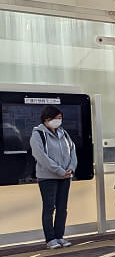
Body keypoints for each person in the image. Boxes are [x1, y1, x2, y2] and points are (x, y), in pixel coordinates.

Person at [29, 105, 78, 249]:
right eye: (56, 118)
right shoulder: (38, 134)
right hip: (47, 177)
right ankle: (50, 239)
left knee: (62, 208)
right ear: (47, 119)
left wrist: (70, 168)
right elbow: (41, 157)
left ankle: (59, 236)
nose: (59, 121)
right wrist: (59, 170)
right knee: (49, 208)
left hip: (65, 176)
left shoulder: (64, 133)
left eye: (60, 118)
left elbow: (72, 151)